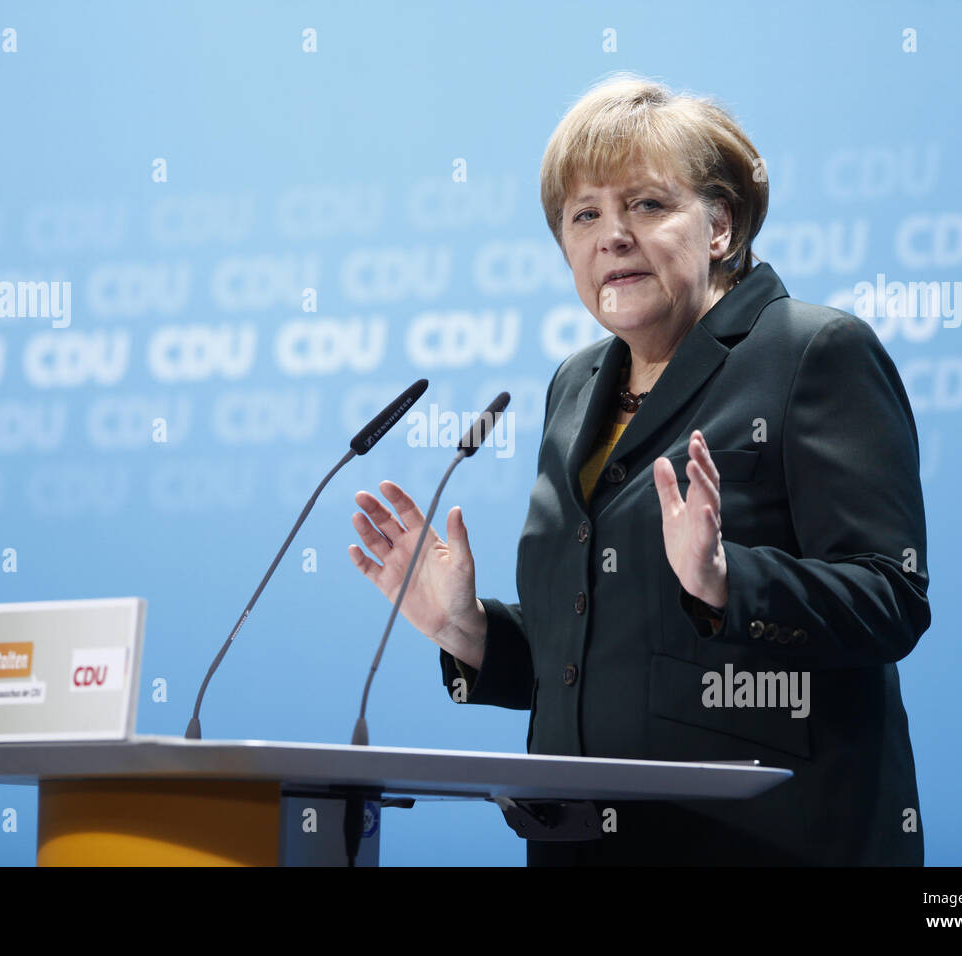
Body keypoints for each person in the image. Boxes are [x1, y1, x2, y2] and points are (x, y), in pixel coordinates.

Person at [348, 73, 930, 866]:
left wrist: (728, 579)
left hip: (766, 847)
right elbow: (606, 660)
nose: (610, 236)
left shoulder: (811, 353)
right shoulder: (574, 388)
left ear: (720, 225)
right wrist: (471, 632)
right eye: (584, 215)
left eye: (647, 206)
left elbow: (890, 599)